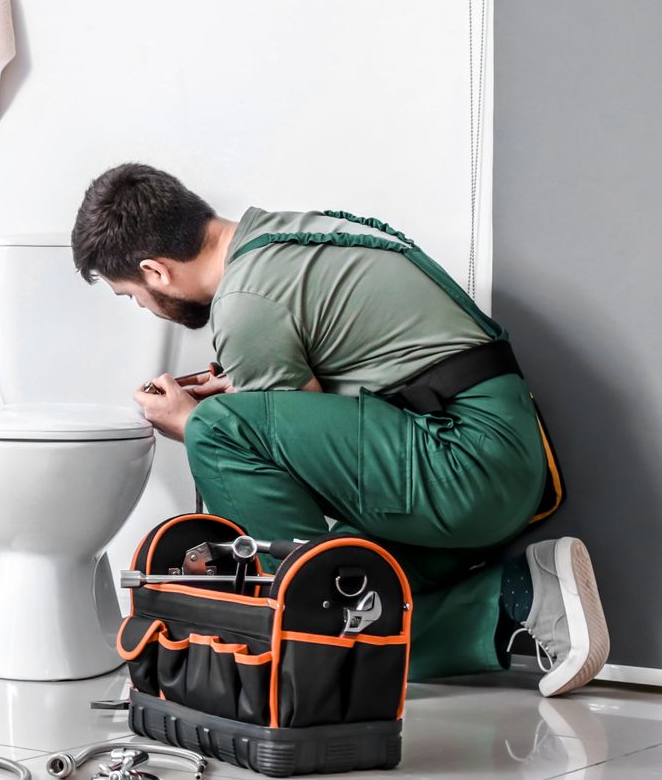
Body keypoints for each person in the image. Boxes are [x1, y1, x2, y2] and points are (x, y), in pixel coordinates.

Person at [71, 163, 610, 696]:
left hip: (464, 469)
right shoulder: (293, 233)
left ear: (156, 270)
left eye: (132, 295)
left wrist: (191, 423)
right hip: (497, 460)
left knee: (219, 430)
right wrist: (248, 394)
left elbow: (286, 460)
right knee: (362, 610)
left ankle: (297, 644)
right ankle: (520, 595)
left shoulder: (246, 305)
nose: (145, 307)